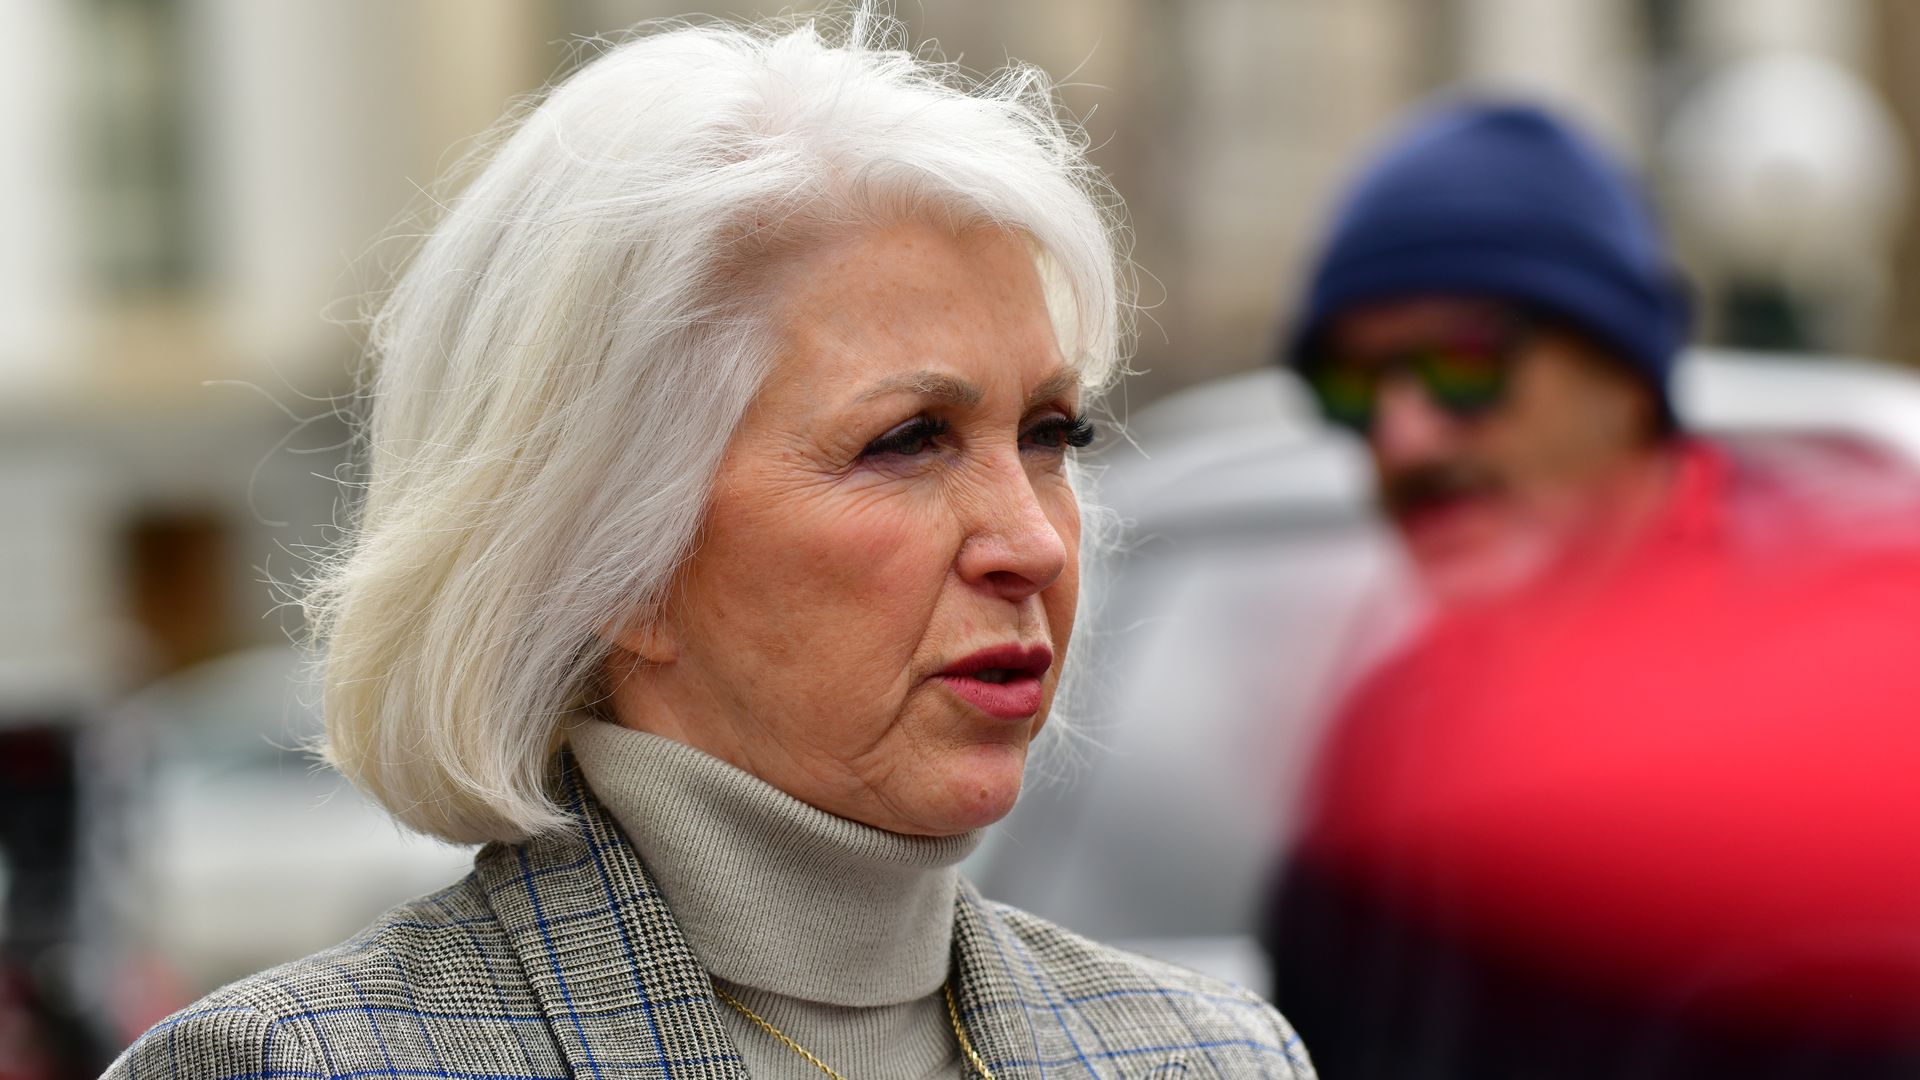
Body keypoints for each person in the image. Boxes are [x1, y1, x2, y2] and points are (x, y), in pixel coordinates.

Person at [103, 11, 1315, 1080]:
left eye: (1051, 434)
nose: (1032, 543)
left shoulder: (1211, 1055)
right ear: (609, 549)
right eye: (908, 441)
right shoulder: (290, 1067)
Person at [1263, 99, 1920, 1077]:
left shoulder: (1853, 686)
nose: (1403, 440)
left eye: (1459, 363)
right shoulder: (1384, 744)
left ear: (1628, 370)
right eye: (1353, 389)